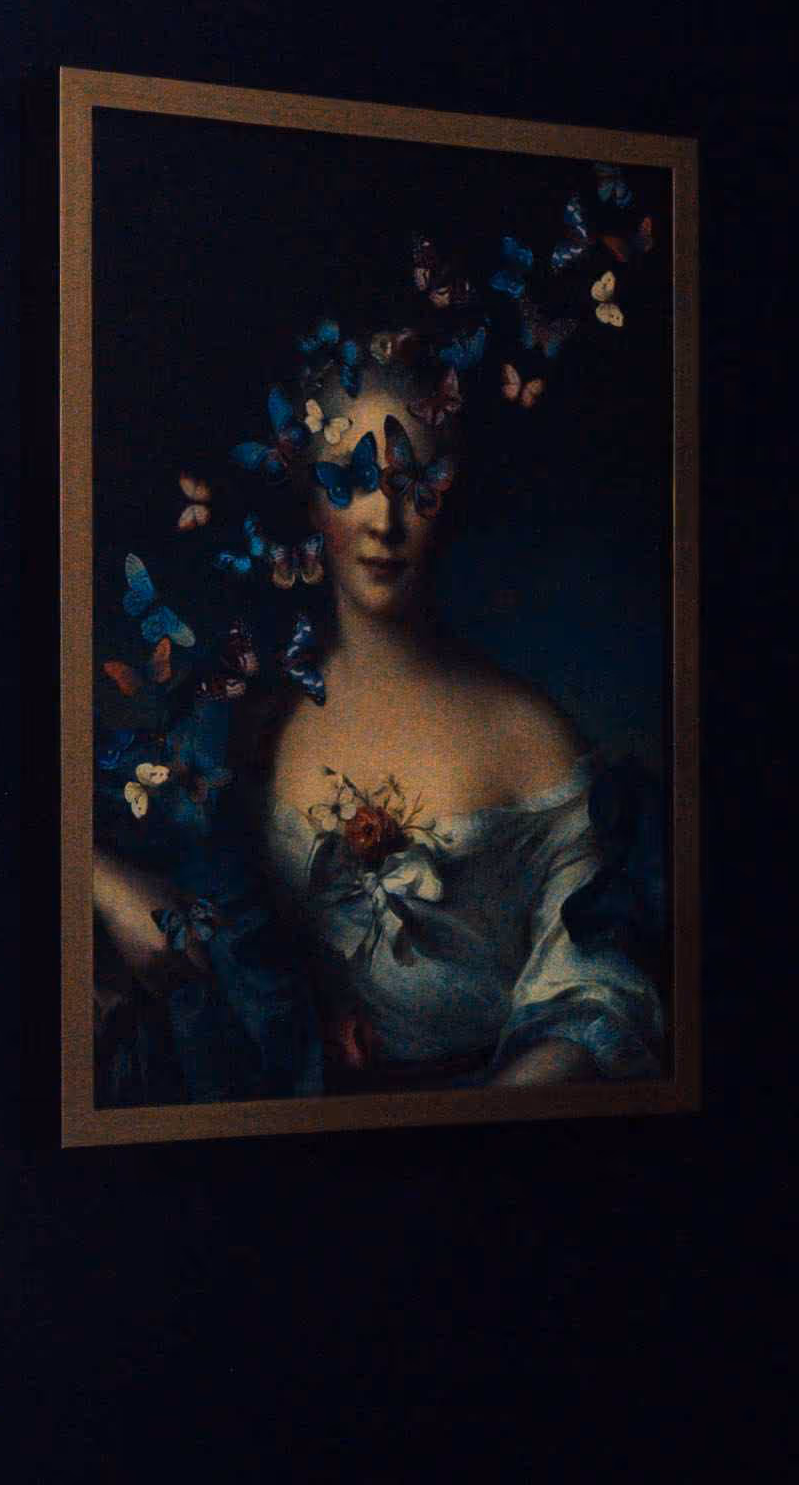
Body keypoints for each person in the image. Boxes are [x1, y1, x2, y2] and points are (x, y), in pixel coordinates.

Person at [86, 336, 664, 1092]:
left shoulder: (532, 741)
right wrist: (103, 881)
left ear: (452, 494)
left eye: (413, 481)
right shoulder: (245, 720)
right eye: (352, 479)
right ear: (308, 492)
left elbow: (597, 992)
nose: (384, 519)